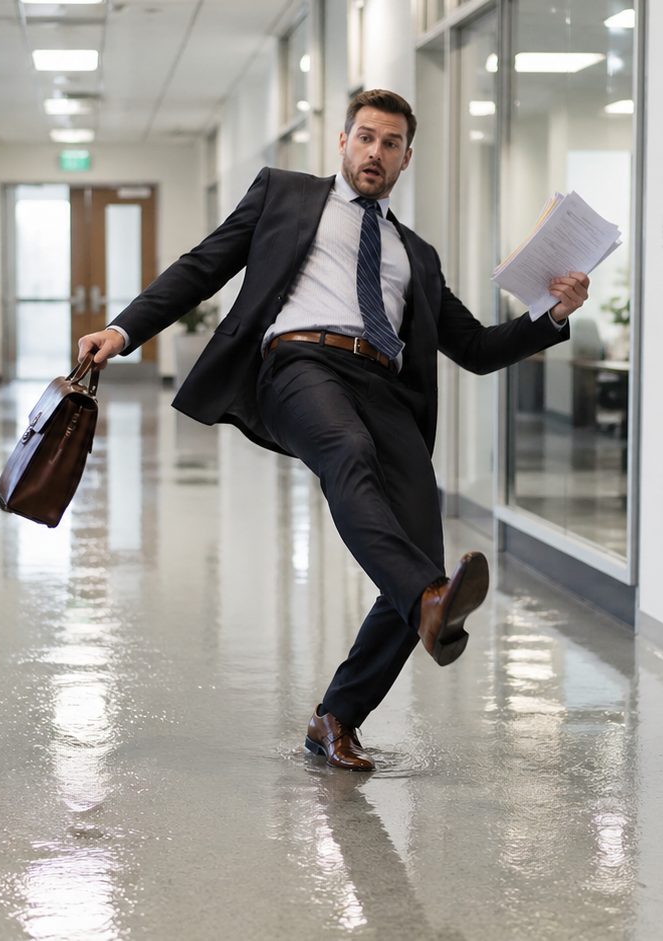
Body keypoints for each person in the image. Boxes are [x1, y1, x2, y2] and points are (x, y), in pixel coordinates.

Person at [78, 89, 590, 771]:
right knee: (349, 458)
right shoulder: (284, 196)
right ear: (342, 141)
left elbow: (473, 346)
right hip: (299, 363)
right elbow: (202, 266)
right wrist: (124, 328)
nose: (375, 152)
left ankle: (338, 716)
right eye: (365, 138)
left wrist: (552, 315)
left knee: (419, 563)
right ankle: (427, 602)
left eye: (390, 143)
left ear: (408, 157)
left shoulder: (417, 255)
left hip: (386, 387)